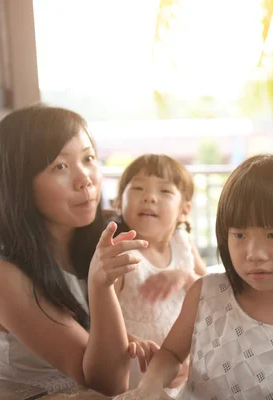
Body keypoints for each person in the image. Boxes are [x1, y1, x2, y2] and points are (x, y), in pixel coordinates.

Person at [115, 153, 273, 400]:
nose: (254, 253)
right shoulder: (205, 293)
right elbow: (172, 354)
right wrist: (150, 386)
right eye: (239, 235)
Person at [0, 104, 153, 395]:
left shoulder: (95, 243)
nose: (85, 179)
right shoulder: (3, 277)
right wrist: (100, 284)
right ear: (20, 183)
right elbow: (105, 384)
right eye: (60, 166)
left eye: (89, 158)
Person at [110, 154, 207, 394]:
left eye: (165, 192)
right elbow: (100, 322)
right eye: (138, 188)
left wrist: (185, 277)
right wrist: (132, 341)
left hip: (183, 368)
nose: (149, 197)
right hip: (138, 370)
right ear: (119, 203)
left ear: (184, 210)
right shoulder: (119, 252)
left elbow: (213, 291)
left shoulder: (183, 244)